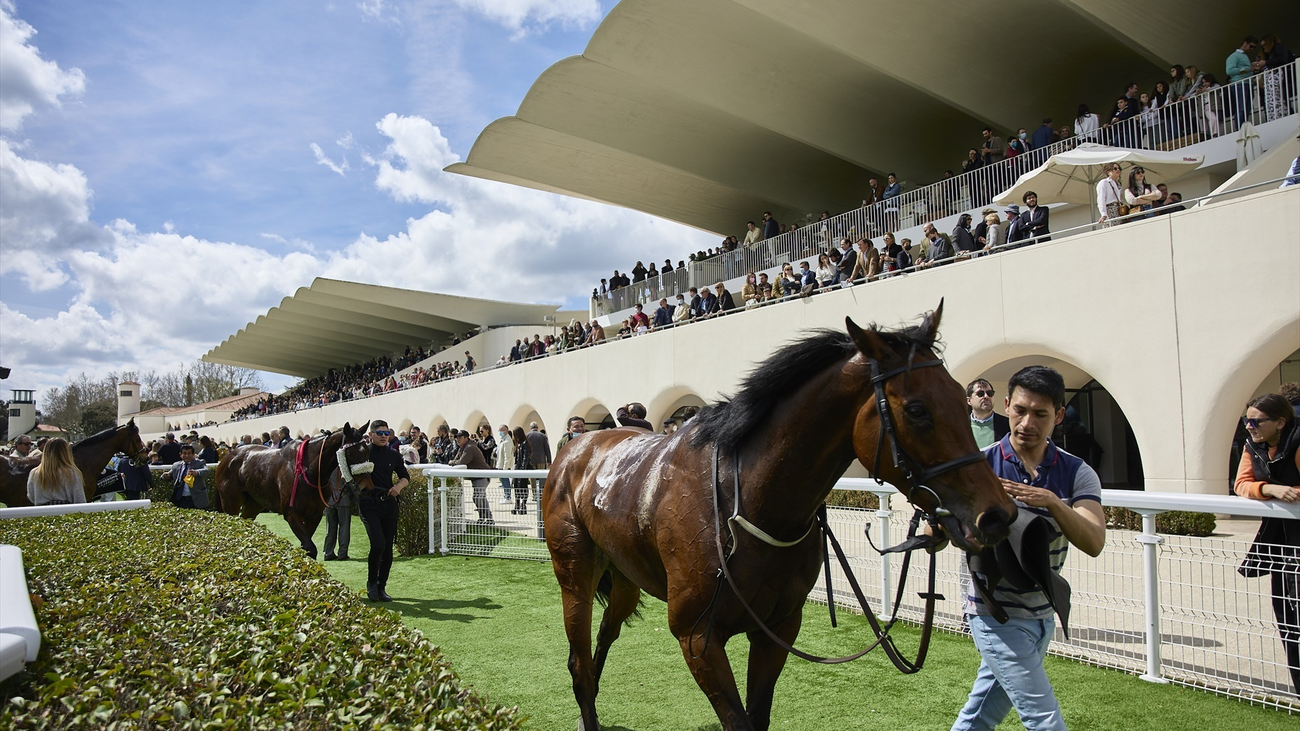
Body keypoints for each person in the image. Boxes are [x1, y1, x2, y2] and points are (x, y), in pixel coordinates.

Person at [952, 365, 1106, 731]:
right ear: (1006, 406)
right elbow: (944, 531)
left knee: (979, 718)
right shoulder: (980, 466)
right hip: (992, 613)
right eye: (1020, 411)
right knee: (1044, 719)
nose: (1027, 423)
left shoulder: (1077, 472)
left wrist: (1052, 502)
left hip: (1042, 612)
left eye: (1041, 414)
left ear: (1059, 415)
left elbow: (1094, 540)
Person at [1233, 393, 1300, 695]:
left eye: (1256, 421)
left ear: (1281, 422)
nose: (1249, 427)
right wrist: (1270, 488)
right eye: (1247, 421)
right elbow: (1241, 485)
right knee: (1287, 618)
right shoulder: (1253, 446)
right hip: (1280, 544)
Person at [359, 420, 409, 602]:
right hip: (368, 504)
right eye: (379, 433)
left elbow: (405, 477)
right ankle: (371, 583)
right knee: (378, 544)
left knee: (387, 549)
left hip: (389, 504)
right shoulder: (363, 453)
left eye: (386, 433)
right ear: (371, 434)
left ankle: (381, 587)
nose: (383, 436)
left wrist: (398, 487)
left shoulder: (393, 454)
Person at [26, 438, 85, 506]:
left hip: (42, 513)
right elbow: (79, 499)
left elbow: (31, 496)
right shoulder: (72, 473)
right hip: (65, 513)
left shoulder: (34, 473)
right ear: (66, 452)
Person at [451, 430, 493, 525]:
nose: (458, 440)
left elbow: (462, 461)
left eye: (460, 438)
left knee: (478, 497)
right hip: (476, 476)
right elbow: (456, 459)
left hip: (482, 475)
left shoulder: (470, 447)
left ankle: (488, 518)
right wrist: (453, 462)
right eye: (457, 438)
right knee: (480, 497)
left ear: (466, 438)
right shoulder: (463, 448)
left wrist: (452, 462)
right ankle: (485, 518)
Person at [967, 379, 1010, 449]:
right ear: (969, 401)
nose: (986, 396)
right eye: (980, 394)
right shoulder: (961, 427)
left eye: (990, 393)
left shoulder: (1008, 425)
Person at [167, 443, 210, 510]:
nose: (187, 456)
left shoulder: (199, 463)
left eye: (189, 453)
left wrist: (197, 472)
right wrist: (164, 476)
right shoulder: (176, 465)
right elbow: (169, 475)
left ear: (193, 454)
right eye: (184, 453)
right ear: (180, 454)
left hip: (196, 499)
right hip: (180, 499)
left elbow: (207, 470)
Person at [323, 470, 353, 562]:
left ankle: (328, 552)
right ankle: (342, 553)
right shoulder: (344, 467)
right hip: (344, 499)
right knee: (344, 527)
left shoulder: (329, 466)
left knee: (330, 528)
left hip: (329, 500)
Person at [511, 426, 532, 515]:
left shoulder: (524, 444)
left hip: (522, 469)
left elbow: (525, 457)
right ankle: (517, 505)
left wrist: (523, 468)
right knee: (516, 487)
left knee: (522, 487)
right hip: (518, 468)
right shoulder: (519, 444)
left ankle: (523, 505)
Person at [494, 424, 513, 503]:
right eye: (500, 430)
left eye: (502, 430)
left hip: (503, 466)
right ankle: (505, 495)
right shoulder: (502, 440)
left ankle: (508, 496)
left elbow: (507, 455)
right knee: (503, 481)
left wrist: (505, 468)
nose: (500, 432)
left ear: (506, 430)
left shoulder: (507, 441)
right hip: (500, 464)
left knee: (505, 481)